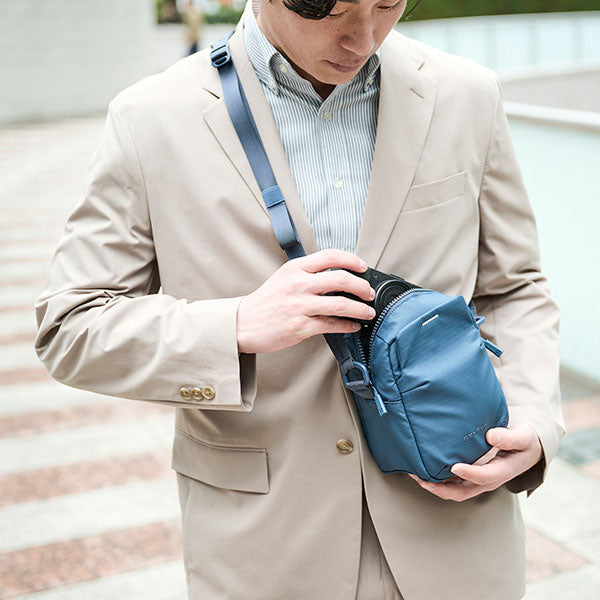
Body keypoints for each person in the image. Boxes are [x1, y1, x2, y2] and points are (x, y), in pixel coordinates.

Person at [35, 0, 564, 598]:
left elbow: (514, 287)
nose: (363, 38)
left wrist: (533, 418)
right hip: (267, 552)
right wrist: (235, 325)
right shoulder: (148, 118)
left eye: (387, 4)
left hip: (459, 537)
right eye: (328, 10)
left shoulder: (469, 95)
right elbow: (69, 325)